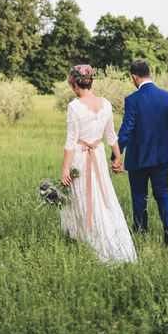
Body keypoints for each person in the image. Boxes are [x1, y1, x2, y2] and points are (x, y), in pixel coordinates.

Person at [59, 64, 137, 263]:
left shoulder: (74, 106)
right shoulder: (106, 104)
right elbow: (111, 136)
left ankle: (88, 238)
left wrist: (65, 168)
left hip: (80, 155)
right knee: (101, 196)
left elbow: (71, 141)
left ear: (75, 84)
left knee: (81, 195)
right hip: (99, 154)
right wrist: (118, 158)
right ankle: (103, 234)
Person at [112, 60, 168, 246]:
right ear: (149, 73)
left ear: (135, 77)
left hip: (139, 158)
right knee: (163, 193)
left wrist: (116, 155)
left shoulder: (132, 100)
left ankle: (141, 231)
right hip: (162, 157)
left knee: (139, 195)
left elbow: (126, 129)